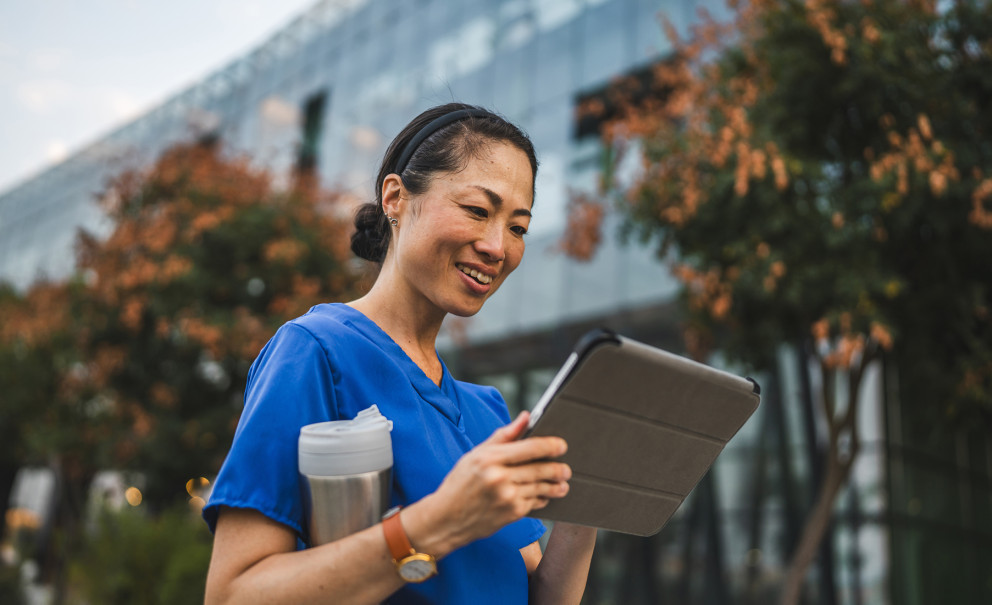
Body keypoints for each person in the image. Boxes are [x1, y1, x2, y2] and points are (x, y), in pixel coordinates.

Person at [202, 103, 597, 604]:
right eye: (478, 210)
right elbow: (232, 594)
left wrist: (594, 499)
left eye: (518, 228)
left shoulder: (488, 413)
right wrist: (438, 521)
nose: (498, 247)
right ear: (395, 198)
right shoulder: (315, 353)